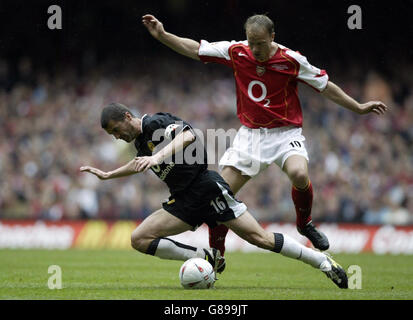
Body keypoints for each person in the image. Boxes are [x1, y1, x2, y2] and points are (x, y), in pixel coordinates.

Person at [142, 13, 389, 255]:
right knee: (217, 194)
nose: (255, 49)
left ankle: (304, 224)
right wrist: (163, 35)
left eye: (260, 43)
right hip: (251, 136)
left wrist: (357, 107)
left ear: (272, 37)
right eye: (251, 42)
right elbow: (195, 49)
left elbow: (325, 86)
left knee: (299, 173)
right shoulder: (236, 51)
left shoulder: (291, 60)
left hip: (285, 133)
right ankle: (217, 251)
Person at [79, 102, 348, 289]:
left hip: (207, 188)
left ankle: (322, 262)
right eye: (112, 134)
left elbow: (188, 135)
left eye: (116, 130)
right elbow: (138, 164)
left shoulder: (155, 123)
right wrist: (107, 175)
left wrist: (158, 156)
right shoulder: (139, 143)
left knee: (260, 238)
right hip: (183, 201)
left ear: (127, 117)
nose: (116, 137)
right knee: (139, 238)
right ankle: (206, 256)